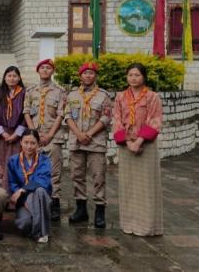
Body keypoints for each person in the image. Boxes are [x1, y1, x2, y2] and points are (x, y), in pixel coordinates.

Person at [112, 63, 164, 237]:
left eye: (137, 75)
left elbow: (155, 120)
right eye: (130, 75)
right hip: (126, 146)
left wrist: (139, 141)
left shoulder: (152, 97)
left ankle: (147, 226)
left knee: (146, 186)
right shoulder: (120, 97)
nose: (133, 78)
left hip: (146, 146)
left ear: (144, 77)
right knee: (128, 185)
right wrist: (128, 142)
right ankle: (129, 224)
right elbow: (117, 120)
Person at [64, 62, 113, 228]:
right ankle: (81, 209)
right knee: (76, 175)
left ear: (95, 76)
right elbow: (67, 116)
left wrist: (89, 134)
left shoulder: (103, 96)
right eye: (85, 73)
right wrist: (78, 134)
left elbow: (105, 118)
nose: (88, 76)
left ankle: (100, 210)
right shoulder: (71, 95)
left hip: (95, 143)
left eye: (91, 73)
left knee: (98, 176)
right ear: (80, 76)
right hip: (76, 141)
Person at [24, 59, 66, 221]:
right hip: (34, 138)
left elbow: (61, 115)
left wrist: (49, 135)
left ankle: (54, 204)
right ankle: (35, 202)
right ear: (38, 70)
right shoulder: (31, 91)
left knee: (54, 172)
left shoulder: (60, 91)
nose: (45, 70)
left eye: (48, 68)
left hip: (53, 137)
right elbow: (26, 112)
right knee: (33, 170)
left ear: (52, 71)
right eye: (42, 67)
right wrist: (33, 134)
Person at [7, 129, 52, 243]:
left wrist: (23, 189)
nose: (29, 146)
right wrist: (24, 201)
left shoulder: (44, 160)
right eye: (26, 142)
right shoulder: (13, 160)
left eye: (33, 143)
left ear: (38, 144)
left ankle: (41, 232)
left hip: (40, 200)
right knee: (25, 223)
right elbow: (13, 184)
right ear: (20, 142)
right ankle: (37, 226)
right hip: (23, 201)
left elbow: (43, 181)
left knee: (40, 190)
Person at [0, 66, 27, 190]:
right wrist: (2, 132)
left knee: (17, 163)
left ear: (19, 78)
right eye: (9, 76)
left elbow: (26, 115)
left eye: (14, 76)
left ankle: (16, 194)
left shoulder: (24, 93)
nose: (12, 78)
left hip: (18, 134)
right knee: (2, 163)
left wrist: (17, 134)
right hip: (3, 135)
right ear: (5, 78)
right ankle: (2, 193)